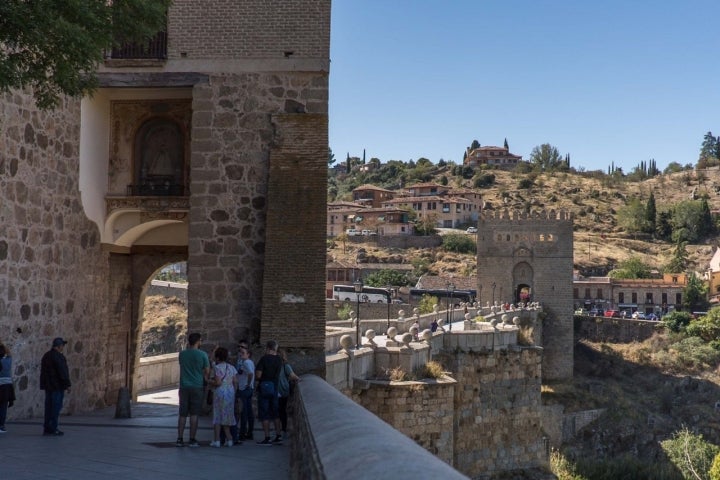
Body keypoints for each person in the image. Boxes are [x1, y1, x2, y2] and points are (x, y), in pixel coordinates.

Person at [176, 332, 210, 447]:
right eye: (200, 340)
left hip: (184, 386)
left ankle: (179, 439)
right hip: (197, 386)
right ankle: (192, 439)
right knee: (194, 414)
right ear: (198, 341)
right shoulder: (203, 355)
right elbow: (207, 371)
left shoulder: (182, 354)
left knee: (182, 414)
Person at [254, 340, 284, 446]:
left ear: (268, 348)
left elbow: (258, 375)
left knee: (264, 414)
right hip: (274, 388)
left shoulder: (264, 359)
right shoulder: (279, 360)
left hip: (264, 389)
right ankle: (278, 436)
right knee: (276, 414)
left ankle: (267, 438)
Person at [40, 337, 71, 436]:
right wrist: (67, 384)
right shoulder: (58, 357)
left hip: (48, 386)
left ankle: (47, 427)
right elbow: (63, 372)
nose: (63, 347)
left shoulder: (46, 356)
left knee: (48, 407)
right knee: (56, 407)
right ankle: (53, 428)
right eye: (62, 345)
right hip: (57, 386)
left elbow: (43, 372)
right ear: (59, 346)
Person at [209, 347, 238, 447]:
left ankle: (217, 440)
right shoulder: (231, 367)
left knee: (217, 415)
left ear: (217, 358)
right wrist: (234, 392)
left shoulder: (217, 368)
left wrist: (209, 381)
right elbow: (235, 381)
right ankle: (229, 439)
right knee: (227, 415)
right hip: (230, 392)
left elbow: (218, 382)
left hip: (220, 392)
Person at [277, 349, 300, 436]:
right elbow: (293, 376)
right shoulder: (282, 365)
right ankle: (281, 430)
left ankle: (282, 429)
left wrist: (298, 379)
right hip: (279, 391)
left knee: (281, 411)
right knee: (280, 411)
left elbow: (292, 375)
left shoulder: (285, 366)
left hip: (282, 391)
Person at [236, 345, 255, 441]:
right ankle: (249, 432)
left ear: (248, 354)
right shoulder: (249, 362)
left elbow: (251, 373)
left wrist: (248, 383)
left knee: (243, 412)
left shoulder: (246, 362)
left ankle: (242, 433)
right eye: (240, 352)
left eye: (243, 353)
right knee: (248, 411)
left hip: (244, 389)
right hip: (248, 389)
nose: (241, 354)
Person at [0, 344, 14, 433]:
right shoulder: (8, 361)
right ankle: (1, 425)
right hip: (7, 387)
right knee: (3, 407)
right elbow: (9, 354)